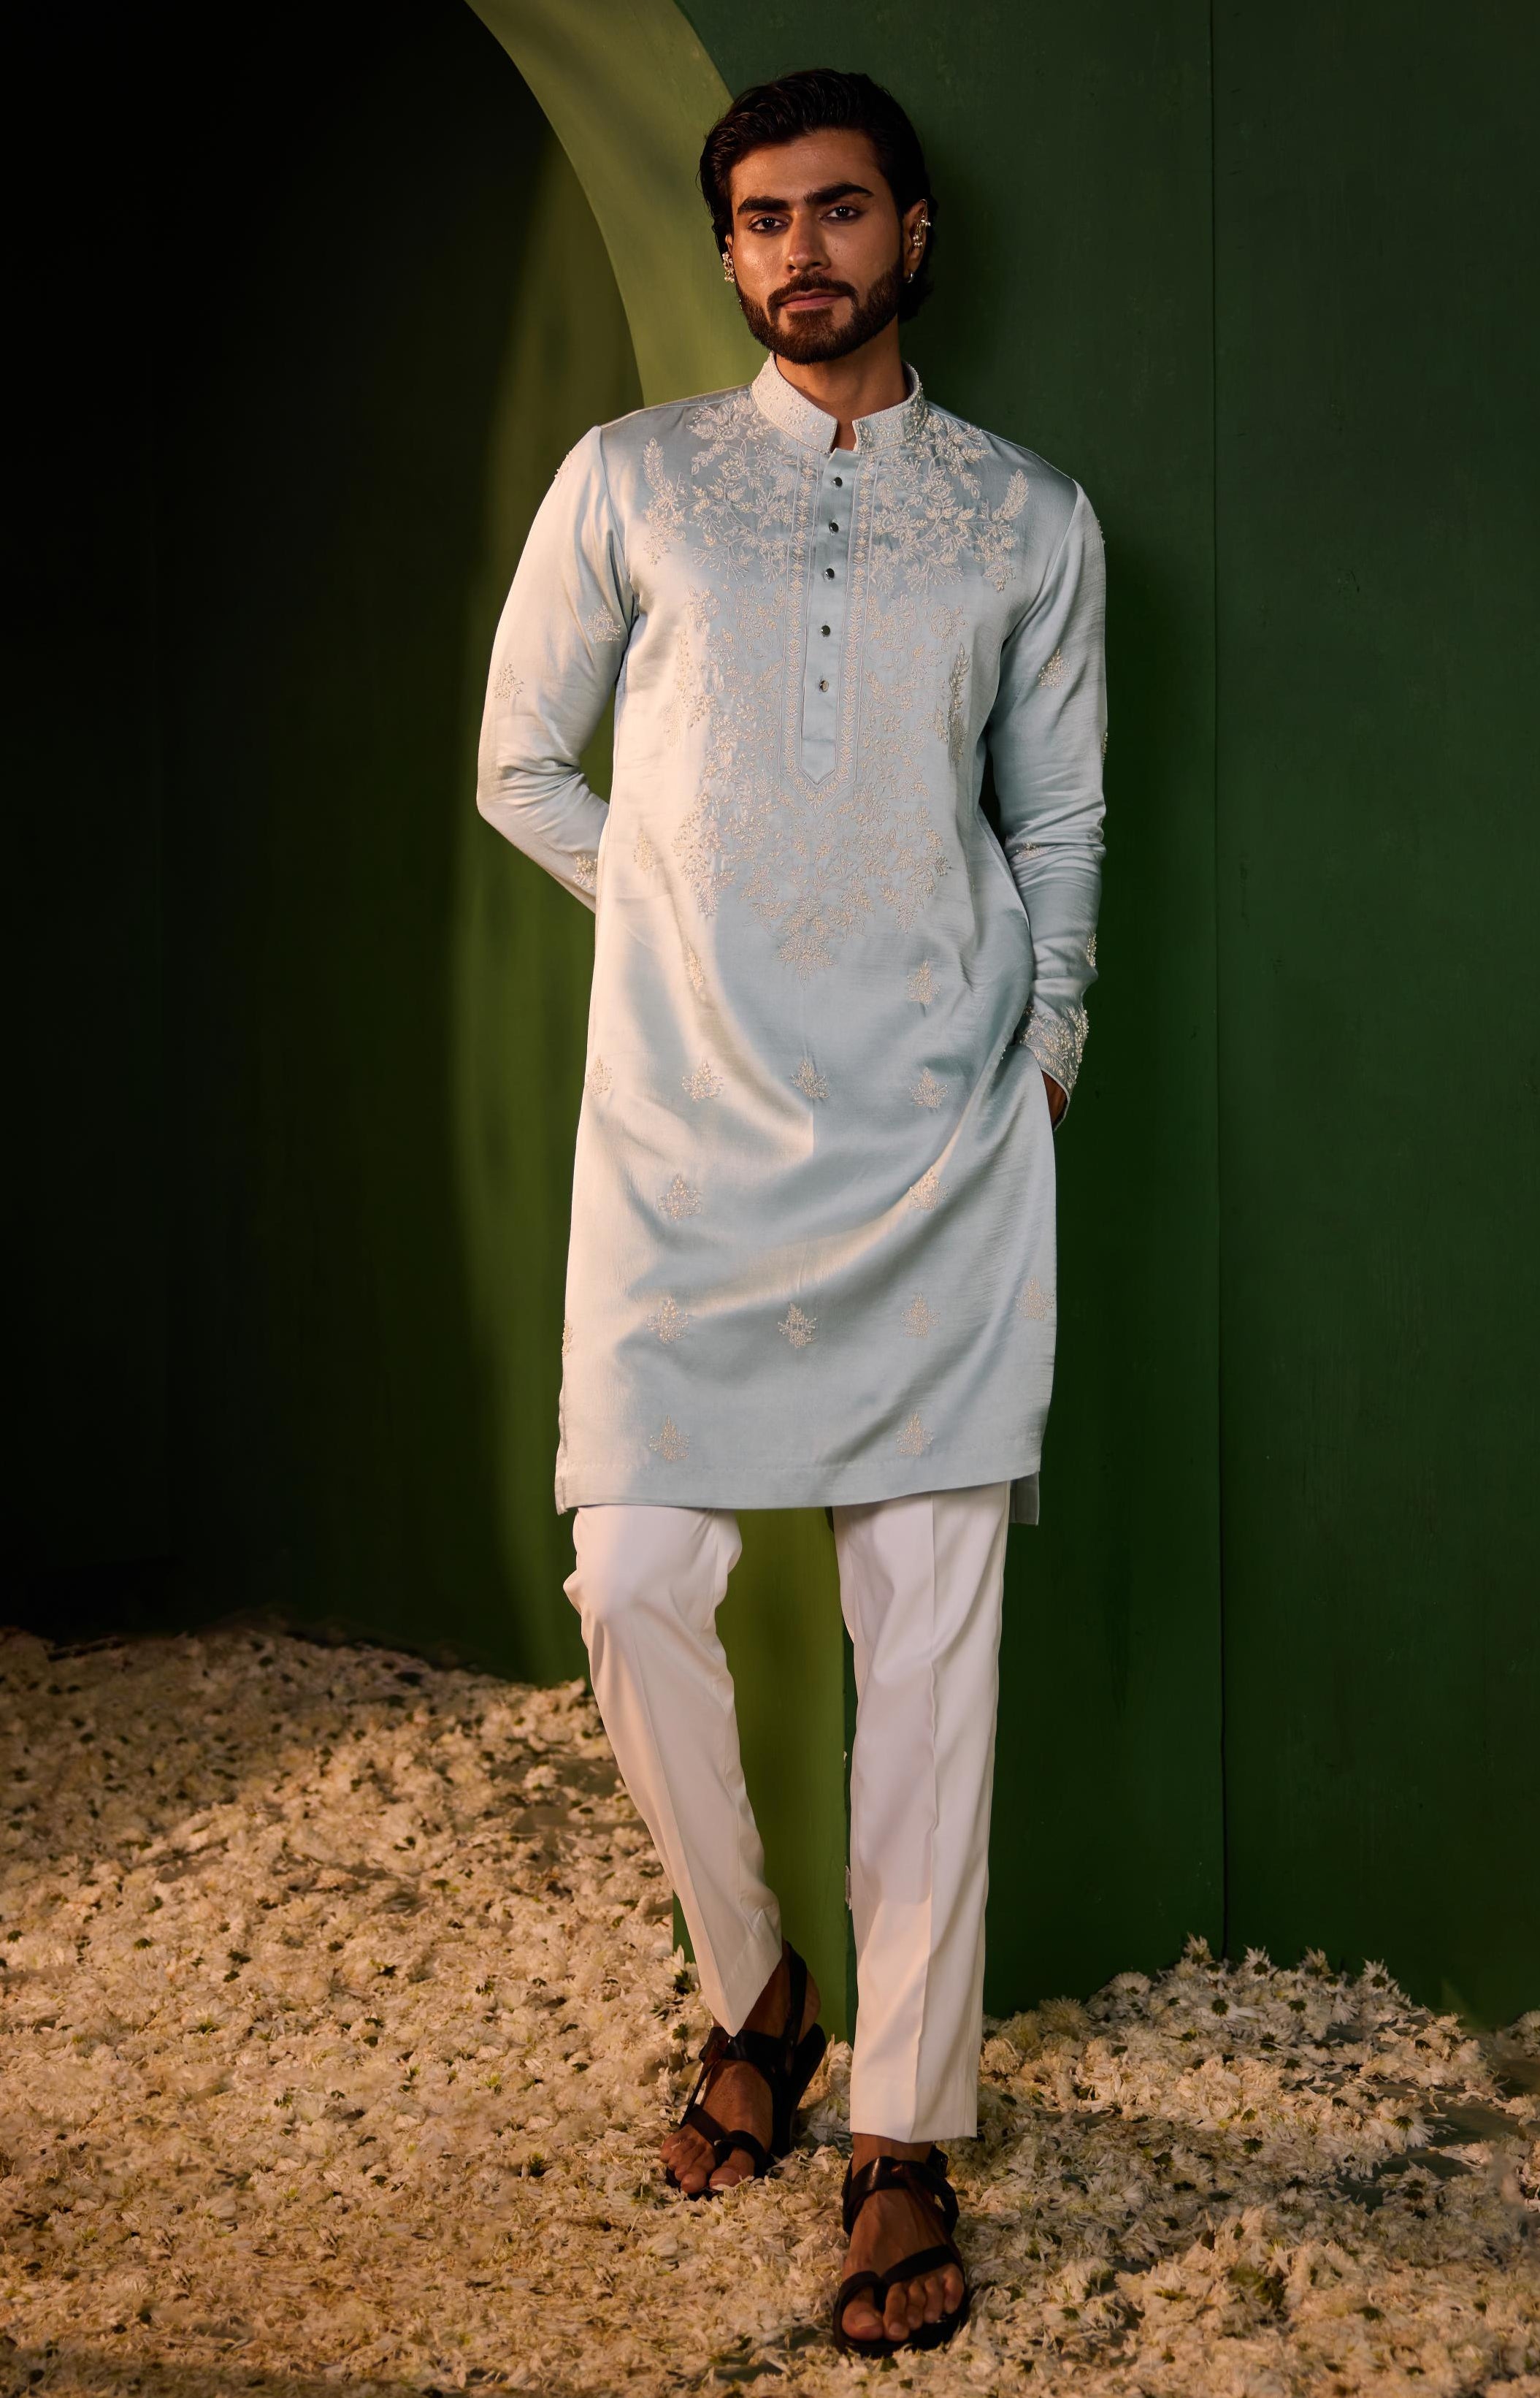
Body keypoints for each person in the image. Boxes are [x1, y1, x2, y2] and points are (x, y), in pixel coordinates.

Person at [476, 64, 1106, 2359]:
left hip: (941, 1140)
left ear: (910, 236)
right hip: (682, 1139)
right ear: (730, 248)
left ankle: (902, 2134)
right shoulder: (634, 482)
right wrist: (681, 929)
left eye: (839, 211)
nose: (798, 251)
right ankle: (757, 1977)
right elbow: (520, 762)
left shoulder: (1027, 516)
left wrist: (1041, 1044)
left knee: (927, 1643)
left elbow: (1059, 823)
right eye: (760, 218)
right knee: (634, 1576)